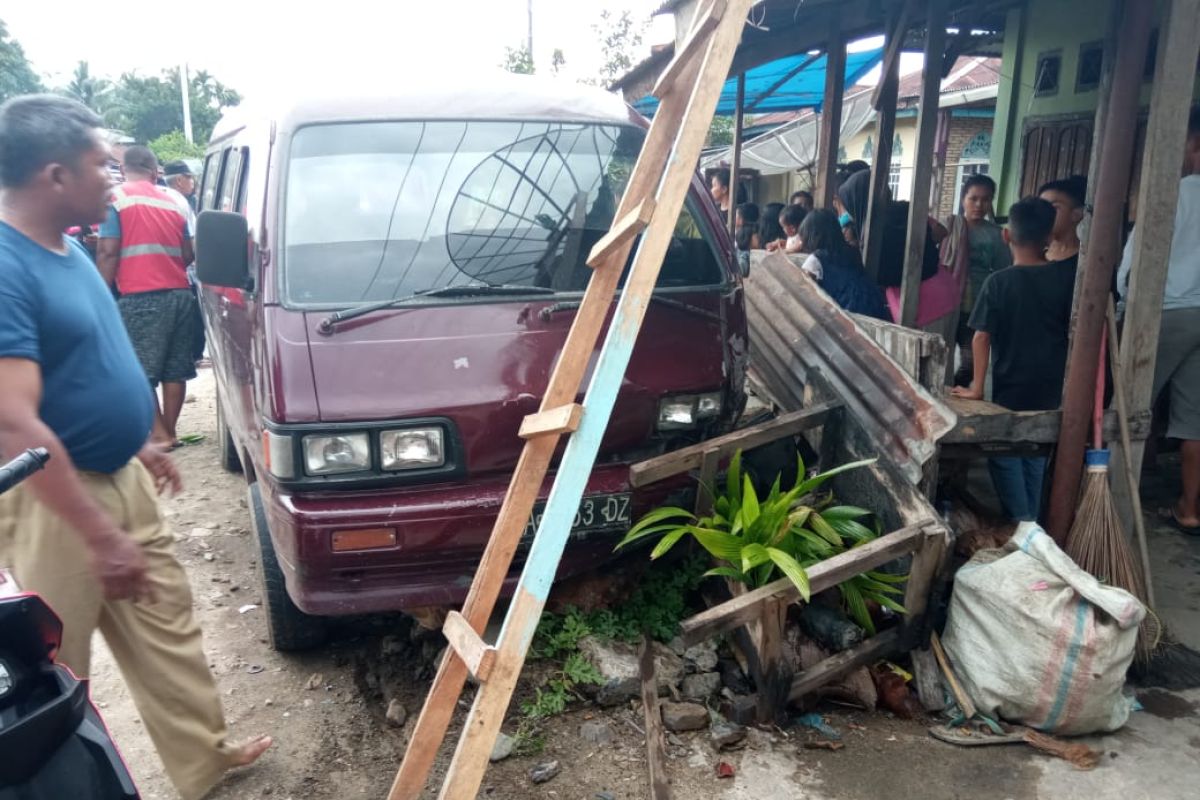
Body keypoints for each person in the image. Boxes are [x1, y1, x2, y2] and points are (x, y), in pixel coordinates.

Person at [0, 95, 270, 800]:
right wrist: (96, 534)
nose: (114, 179)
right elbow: (12, 423)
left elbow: (97, 353)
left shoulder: (69, 248)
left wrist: (142, 437)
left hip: (116, 472)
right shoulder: (6, 266)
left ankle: (205, 759)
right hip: (55, 501)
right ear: (55, 175)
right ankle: (69, 786)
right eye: (102, 166)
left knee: (165, 624)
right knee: (60, 663)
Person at [953, 197, 1075, 522]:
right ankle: (1031, 522)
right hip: (1051, 384)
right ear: (1049, 238)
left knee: (1005, 453)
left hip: (1011, 384)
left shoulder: (998, 282)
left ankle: (1023, 527)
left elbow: (981, 337)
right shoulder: (1066, 279)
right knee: (1035, 452)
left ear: (1006, 236)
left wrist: (977, 388)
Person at [1116, 107, 1200, 534]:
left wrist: (1124, 300)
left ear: (1192, 145)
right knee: (1193, 420)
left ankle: (1113, 501)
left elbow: (1133, 261)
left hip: (1166, 310)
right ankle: (1189, 507)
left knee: (1130, 404)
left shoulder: (1173, 194)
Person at [96, 145, 198, 449]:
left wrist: (99, 294)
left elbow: (108, 250)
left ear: (124, 168)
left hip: (141, 296)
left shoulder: (116, 198)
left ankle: (160, 434)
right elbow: (188, 253)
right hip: (180, 293)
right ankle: (169, 430)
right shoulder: (174, 202)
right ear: (156, 172)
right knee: (174, 367)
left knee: (139, 368)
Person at [942, 174, 1011, 385]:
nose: (979, 204)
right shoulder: (947, 227)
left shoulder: (996, 235)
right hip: (945, 303)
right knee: (937, 359)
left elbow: (1002, 271)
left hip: (977, 307)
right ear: (963, 198)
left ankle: (955, 393)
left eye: (986, 199)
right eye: (974, 198)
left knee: (970, 364)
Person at [797, 208, 890, 320]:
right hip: (873, 305)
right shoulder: (853, 251)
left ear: (811, 236)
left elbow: (802, 290)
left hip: (846, 311)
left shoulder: (815, 259)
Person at [1039, 175, 1087, 267]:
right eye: (1041, 207)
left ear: (1077, 214)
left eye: (1053, 207)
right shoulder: (1032, 255)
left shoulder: (1086, 261)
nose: (1044, 213)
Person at [162, 159, 198, 227]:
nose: (192, 181)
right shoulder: (181, 204)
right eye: (190, 177)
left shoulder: (159, 199)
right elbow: (192, 236)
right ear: (179, 180)